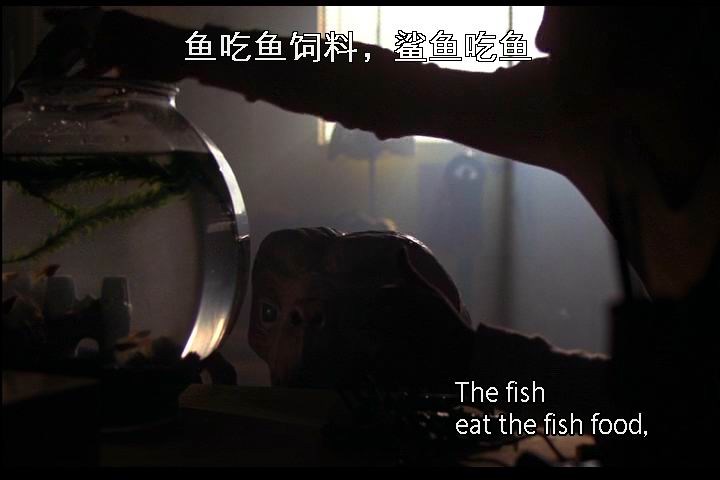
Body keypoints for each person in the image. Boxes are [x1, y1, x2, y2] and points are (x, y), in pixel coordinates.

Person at [6, 6, 718, 465]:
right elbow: (374, 84)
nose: (542, 38)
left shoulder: (594, 109)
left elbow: (656, 415)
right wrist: (178, 46)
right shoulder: (593, 115)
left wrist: (473, 361)